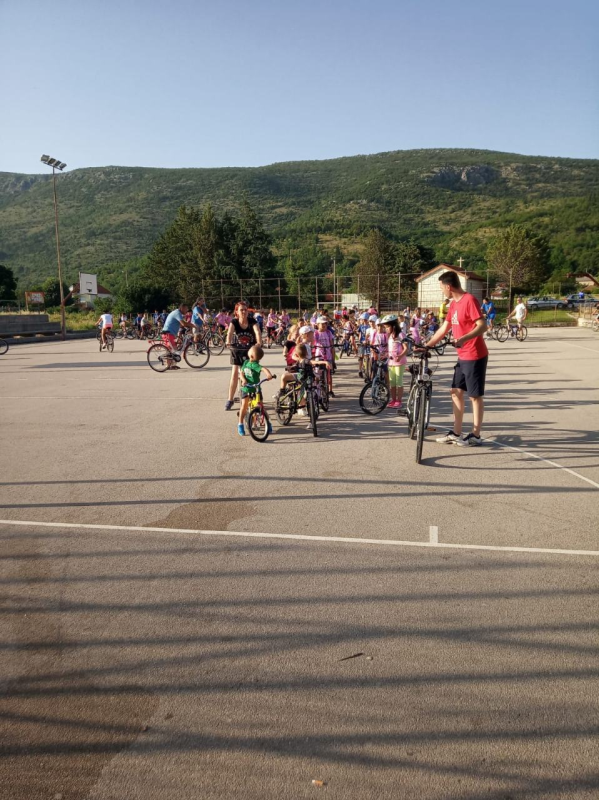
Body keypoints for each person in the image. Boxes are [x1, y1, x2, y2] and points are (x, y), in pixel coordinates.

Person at [426, 271, 488, 446]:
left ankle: (475, 435)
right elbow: (444, 328)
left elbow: (482, 325)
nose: (441, 291)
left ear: (449, 286)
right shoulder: (453, 304)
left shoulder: (469, 300)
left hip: (475, 354)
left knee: (474, 396)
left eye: (441, 288)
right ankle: (456, 432)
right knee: (455, 391)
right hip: (463, 356)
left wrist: (464, 338)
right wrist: (427, 345)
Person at [225, 302, 262, 410]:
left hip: (250, 350)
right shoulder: (234, 322)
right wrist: (228, 341)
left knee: (252, 373)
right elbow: (230, 333)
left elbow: (257, 332)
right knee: (234, 373)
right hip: (237, 350)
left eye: (245, 309)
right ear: (236, 312)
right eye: (241, 310)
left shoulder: (252, 321)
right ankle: (230, 399)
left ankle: (255, 396)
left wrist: (259, 342)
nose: (244, 312)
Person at [237, 345, 274, 436]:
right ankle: (240, 424)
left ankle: (268, 423)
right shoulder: (246, 362)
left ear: (252, 356)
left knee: (261, 407)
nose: (248, 350)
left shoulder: (256, 365)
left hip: (256, 389)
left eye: (250, 350)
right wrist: (243, 380)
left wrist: (268, 375)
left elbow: (263, 369)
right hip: (246, 388)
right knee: (244, 406)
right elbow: (241, 373)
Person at [382, 314, 407, 408]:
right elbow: (391, 349)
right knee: (392, 382)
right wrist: (385, 355)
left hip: (399, 362)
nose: (386, 329)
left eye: (387, 327)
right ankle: (393, 400)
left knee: (398, 382)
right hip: (391, 362)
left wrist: (400, 356)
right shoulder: (390, 336)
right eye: (385, 327)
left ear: (393, 326)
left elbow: (406, 348)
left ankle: (399, 401)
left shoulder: (400, 334)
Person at [161, 303, 192, 369]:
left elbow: (180, 325)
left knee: (172, 349)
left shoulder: (178, 313)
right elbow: (183, 323)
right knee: (174, 349)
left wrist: (186, 328)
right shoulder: (177, 313)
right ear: (182, 308)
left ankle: (171, 365)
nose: (187, 311)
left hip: (170, 333)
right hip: (168, 333)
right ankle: (169, 365)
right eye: (186, 309)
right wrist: (193, 325)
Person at [314, 316, 335, 395]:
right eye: (322, 324)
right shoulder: (315, 333)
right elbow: (313, 343)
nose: (324, 325)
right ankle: (316, 389)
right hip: (319, 355)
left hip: (328, 355)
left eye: (325, 324)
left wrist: (333, 359)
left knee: (329, 373)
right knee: (317, 373)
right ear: (317, 325)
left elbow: (331, 344)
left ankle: (330, 390)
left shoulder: (329, 333)